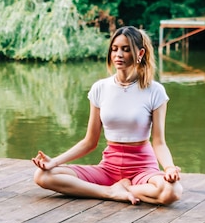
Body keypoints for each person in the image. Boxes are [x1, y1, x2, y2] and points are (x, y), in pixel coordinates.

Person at [32, 26, 182, 205]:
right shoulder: (100, 88)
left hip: (142, 170)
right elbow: (89, 142)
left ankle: (125, 189)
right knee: (43, 175)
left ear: (140, 53)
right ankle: (110, 192)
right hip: (108, 169)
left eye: (126, 49)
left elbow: (159, 142)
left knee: (172, 191)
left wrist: (169, 168)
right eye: (115, 48)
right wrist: (54, 162)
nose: (118, 54)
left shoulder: (154, 91)